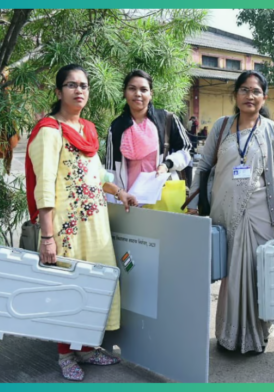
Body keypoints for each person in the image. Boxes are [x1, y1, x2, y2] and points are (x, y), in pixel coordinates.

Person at [26, 64, 137, 381]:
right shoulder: (49, 131)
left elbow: (96, 175)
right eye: (71, 85)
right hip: (65, 228)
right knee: (67, 289)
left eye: (84, 85)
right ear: (59, 91)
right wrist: (47, 237)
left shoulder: (87, 129)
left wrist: (120, 192)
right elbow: (44, 185)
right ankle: (65, 355)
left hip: (95, 225)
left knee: (95, 286)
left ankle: (87, 349)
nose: (79, 91)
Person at [187, 70, 274, 354]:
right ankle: (228, 335)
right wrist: (194, 205)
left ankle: (256, 335)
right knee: (230, 275)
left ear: (264, 97)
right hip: (224, 210)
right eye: (244, 90)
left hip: (260, 212)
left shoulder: (273, 131)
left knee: (256, 273)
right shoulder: (222, 126)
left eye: (256, 91)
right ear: (236, 95)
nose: (250, 96)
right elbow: (204, 166)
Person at [105, 70, 192, 200]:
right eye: (132, 89)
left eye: (143, 89)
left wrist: (166, 164)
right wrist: (115, 199)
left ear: (151, 94)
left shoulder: (166, 119)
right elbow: (111, 169)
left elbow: (186, 150)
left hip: (162, 196)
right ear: (124, 92)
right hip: (129, 198)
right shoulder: (117, 127)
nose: (138, 94)